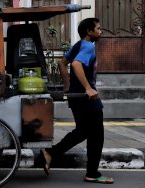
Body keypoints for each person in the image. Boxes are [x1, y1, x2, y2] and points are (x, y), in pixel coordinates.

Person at [40, 18, 114, 184]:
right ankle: (92, 173)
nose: (101, 31)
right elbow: (76, 65)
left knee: (83, 131)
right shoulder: (88, 46)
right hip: (86, 98)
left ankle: (51, 153)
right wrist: (88, 87)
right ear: (89, 31)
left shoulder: (79, 44)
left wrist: (68, 86)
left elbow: (62, 63)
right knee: (97, 135)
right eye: (99, 28)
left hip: (77, 97)